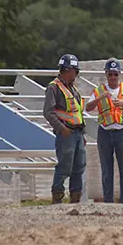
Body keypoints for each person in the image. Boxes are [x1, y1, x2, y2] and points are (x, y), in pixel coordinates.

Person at [85, 58, 123, 204]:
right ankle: (108, 202)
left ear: (120, 74)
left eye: (115, 74)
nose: (113, 77)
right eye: (110, 74)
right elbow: (88, 107)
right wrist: (100, 98)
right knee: (106, 170)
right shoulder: (99, 90)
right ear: (106, 74)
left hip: (122, 131)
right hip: (104, 132)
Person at [42, 53, 86, 204]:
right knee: (64, 165)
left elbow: (77, 112)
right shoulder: (54, 87)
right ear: (68, 70)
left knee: (79, 165)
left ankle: (75, 197)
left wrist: (83, 134)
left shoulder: (73, 89)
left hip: (78, 133)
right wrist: (61, 128)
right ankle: (58, 195)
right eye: (76, 71)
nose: (77, 74)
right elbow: (48, 111)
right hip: (66, 133)